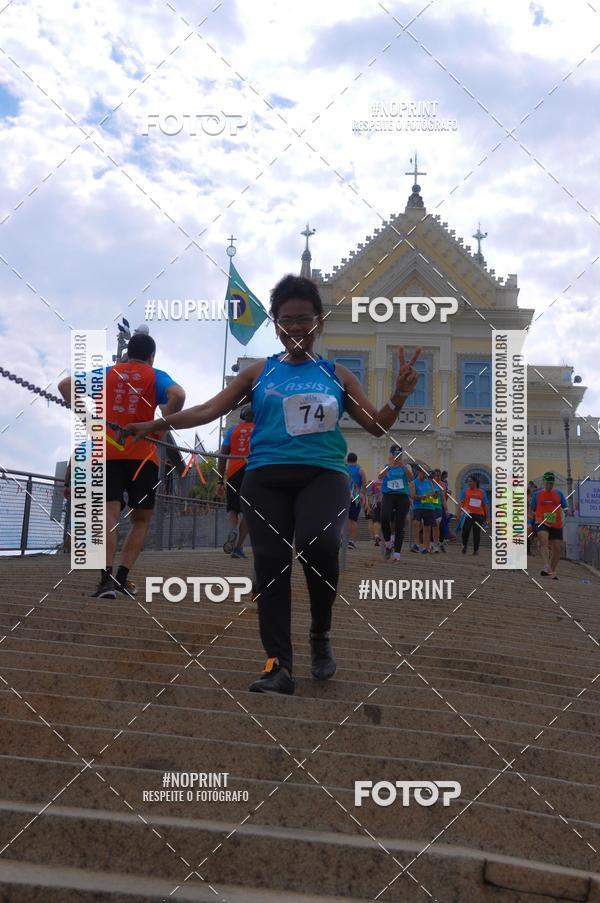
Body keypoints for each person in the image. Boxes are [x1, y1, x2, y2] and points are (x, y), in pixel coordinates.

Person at [125, 274, 421, 695]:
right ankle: (277, 664)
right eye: (286, 320)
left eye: (304, 319)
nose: (296, 327)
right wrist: (157, 423)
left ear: (318, 322)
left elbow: (376, 427)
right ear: (277, 325)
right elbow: (209, 409)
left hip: (323, 474)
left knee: (319, 546)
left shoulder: (336, 374)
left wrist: (399, 396)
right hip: (265, 477)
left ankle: (320, 633)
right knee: (270, 563)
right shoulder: (258, 372)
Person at [58, 333, 185, 599]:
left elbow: (66, 384)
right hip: (144, 457)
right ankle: (122, 578)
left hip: (108, 454)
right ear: (152, 356)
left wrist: (89, 420)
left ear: (127, 353)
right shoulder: (155, 375)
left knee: (107, 517)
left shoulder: (108, 372)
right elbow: (178, 394)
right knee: (141, 520)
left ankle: (105, 581)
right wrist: (161, 426)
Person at [217, 406, 254, 559]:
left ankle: (233, 529)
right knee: (249, 511)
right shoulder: (261, 428)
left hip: (233, 472)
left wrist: (220, 480)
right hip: (253, 470)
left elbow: (223, 454)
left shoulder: (233, 430)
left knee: (233, 508)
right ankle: (238, 547)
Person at [529, 473, 568, 579]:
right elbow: (531, 510)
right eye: (547, 483)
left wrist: (568, 512)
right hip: (542, 522)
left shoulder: (559, 494)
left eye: (551, 483)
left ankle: (551, 570)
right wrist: (537, 517)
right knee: (543, 540)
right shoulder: (537, 495)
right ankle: (546, 565)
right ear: (544, 482)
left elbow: (565, 507)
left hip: (556, 523)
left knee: (557, 549)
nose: (549, 485)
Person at [379, 446, 414, 561]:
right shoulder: (386, 466)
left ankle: (397, 554)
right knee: (384, 518)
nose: (397, 456)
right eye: (395, 454)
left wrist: (401, 465)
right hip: (388, 495)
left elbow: (410, 478)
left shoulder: (406, 466)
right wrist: (389, 466)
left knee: (400, 524)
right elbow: (380, 476)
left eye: (399, 454)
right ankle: (388, 544)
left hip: (402, 496)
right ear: (391, 454)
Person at [411, 466, 438, 553]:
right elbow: (413, 496)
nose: (425, 475)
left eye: (426, 473)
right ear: (419, 472)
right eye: (424, 472)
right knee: (416, 523)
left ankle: (426, 547)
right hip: (418, 507)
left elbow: (434, 496)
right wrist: (424, 496)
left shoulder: (429, 483)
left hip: (429, 507)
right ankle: (416, 544)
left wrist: (435, 495)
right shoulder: (413, 483)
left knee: (427, 527)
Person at [460, 475, 489, 555]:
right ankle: (464, 546)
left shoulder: (482, 491)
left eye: (470, 481)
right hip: (468, 514)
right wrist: (459, 512)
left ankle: (476, 550)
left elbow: (485, 504)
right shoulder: (465, 491)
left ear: (475, 482)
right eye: (468, 481)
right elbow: (461, 502)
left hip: (479, 515)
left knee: (476, 532)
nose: (468, 483)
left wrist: (488, 517)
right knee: (465, 529)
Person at [346, 452, 366, 549]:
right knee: (353, 520)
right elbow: (364, 484)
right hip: (356, 496)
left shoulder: (343, 468)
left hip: (344, 496)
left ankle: (341, 539)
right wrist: (363, 495)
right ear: (356, 460)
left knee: (342, 520)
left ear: (347, 459)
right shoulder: (360, 470)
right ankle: (351, 541)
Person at [430, 468, 447, 553]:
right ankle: (431, 544)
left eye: (439, 476)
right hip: (429, 507)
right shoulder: (429, 484)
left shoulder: (442, 485)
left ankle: (436, 545)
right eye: (436, 475)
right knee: (430, 526)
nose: (438, 477)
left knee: (437, 526)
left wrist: (446, 509)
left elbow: (443, 498)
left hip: (438, 507)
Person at [366, 475, 383, 546]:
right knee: (382, 520)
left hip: (375, 503)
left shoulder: (374, 483)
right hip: (385, 503)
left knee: (375, 520)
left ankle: (375, 536)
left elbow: (369, 494)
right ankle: (379, 536)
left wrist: (369, 505)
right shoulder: (387, 482)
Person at [526, 479, 538, 557]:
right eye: (531, 487)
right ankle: (527, 550)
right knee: (528, 534)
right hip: (527, 518)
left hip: (533, 518)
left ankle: (528, 550)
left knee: (531, 534)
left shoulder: (533, 497)